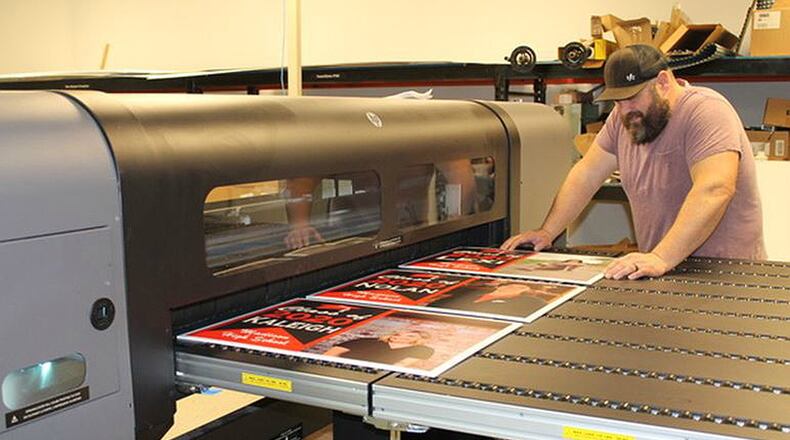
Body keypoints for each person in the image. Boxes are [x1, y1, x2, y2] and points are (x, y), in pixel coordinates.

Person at [502, 44, 765, 280]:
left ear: (662, 82)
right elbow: (587, 174)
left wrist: (662, 257)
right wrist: (547, 231)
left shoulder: (706, 111)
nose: (625, 109)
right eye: (617, 100)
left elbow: (715, 189)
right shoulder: (623, 118)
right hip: (665, 268)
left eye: (632, 97)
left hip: (724, 275)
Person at [322, 330, 434, 367]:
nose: (400, 336)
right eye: (399, 333)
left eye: (410, 336)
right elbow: (329, 355)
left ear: (417, 340)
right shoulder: (365, 341)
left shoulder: (422, 350)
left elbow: (402, 366)